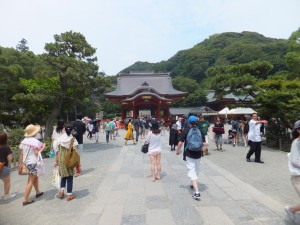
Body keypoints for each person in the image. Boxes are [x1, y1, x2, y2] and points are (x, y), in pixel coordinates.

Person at [176, 115, 206, 200]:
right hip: (198, 153)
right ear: (197, 122)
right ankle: (193, 183)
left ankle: (196, 192)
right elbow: (204, 143)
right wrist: (201, 149)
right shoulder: (201, 130)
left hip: (189, 153)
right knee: (196, 169)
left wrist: (178, 150)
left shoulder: (186, 130)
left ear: (189, 122)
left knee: (192, 170)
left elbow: (180, 143)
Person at [19, 124, 46, 206]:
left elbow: (21, 153)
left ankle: (38, 192)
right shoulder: (35, 141)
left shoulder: (24, 141)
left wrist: (20, 163)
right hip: (33, 162)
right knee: (30, 181)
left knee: (35, 177)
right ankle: (25, 199)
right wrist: (43, 148)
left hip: (27, 163)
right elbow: (37, 153)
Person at [54, 124, 78, 201]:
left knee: (63, 176)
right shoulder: (72, 139)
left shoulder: (59, 139)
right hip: (69, 160)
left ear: (64, 130)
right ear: (71, 130)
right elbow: (75, 151)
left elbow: (56, 151)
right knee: (70, 177)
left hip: (61, 160)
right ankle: (69, 195)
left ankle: (61, 191)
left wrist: (56, 161)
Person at [285, 120, 300, 223]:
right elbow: (295, 161)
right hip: (298, 178)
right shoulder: (296, 143)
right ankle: (291, 210)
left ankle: (291, 210)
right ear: (299, 130)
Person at [0, 132, 16, 201]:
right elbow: (10, 158)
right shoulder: (6, 147)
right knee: (7, 182)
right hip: (3, 167)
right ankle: (6, 195)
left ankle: (4, 195)